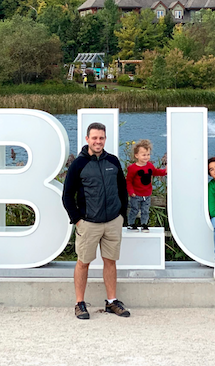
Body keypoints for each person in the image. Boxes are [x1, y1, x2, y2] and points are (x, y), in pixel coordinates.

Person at [62, 122, 130, 320]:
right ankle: (79, 303)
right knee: (83, 262)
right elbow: (67, 196)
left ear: (105, 139)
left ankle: (111, 302)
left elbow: (122, 190)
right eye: (94, 138)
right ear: (87, 139)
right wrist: (77, 220)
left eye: (101, 138)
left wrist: (121, 216)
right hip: (88, 223)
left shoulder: (113, 161)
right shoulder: (78, 164)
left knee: (110, 261)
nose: (98, 141)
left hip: (113, 222)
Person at [126, 139, 167, 231]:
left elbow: (155, 172)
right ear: (136, 155)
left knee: (145, 211)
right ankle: (131, 224)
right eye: (144, 155)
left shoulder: (150, 165)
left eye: (148, 154)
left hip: (147, 194)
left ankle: (144, 224)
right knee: (134, 210)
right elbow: (128, 181)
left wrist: (165, 171)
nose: (146, 157)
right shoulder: (132, 168)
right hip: (136, 194)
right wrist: (131, 192)